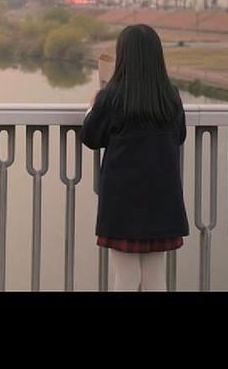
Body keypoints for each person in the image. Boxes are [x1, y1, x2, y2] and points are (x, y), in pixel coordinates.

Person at [81, 24, 189, 291]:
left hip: (123, 201)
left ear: (123, 56)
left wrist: (93, 105)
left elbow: (91, 137)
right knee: (156, 279)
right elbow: (180, 136)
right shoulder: (170, 95)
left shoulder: (111, 97)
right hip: (163, 198)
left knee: (126, 278)